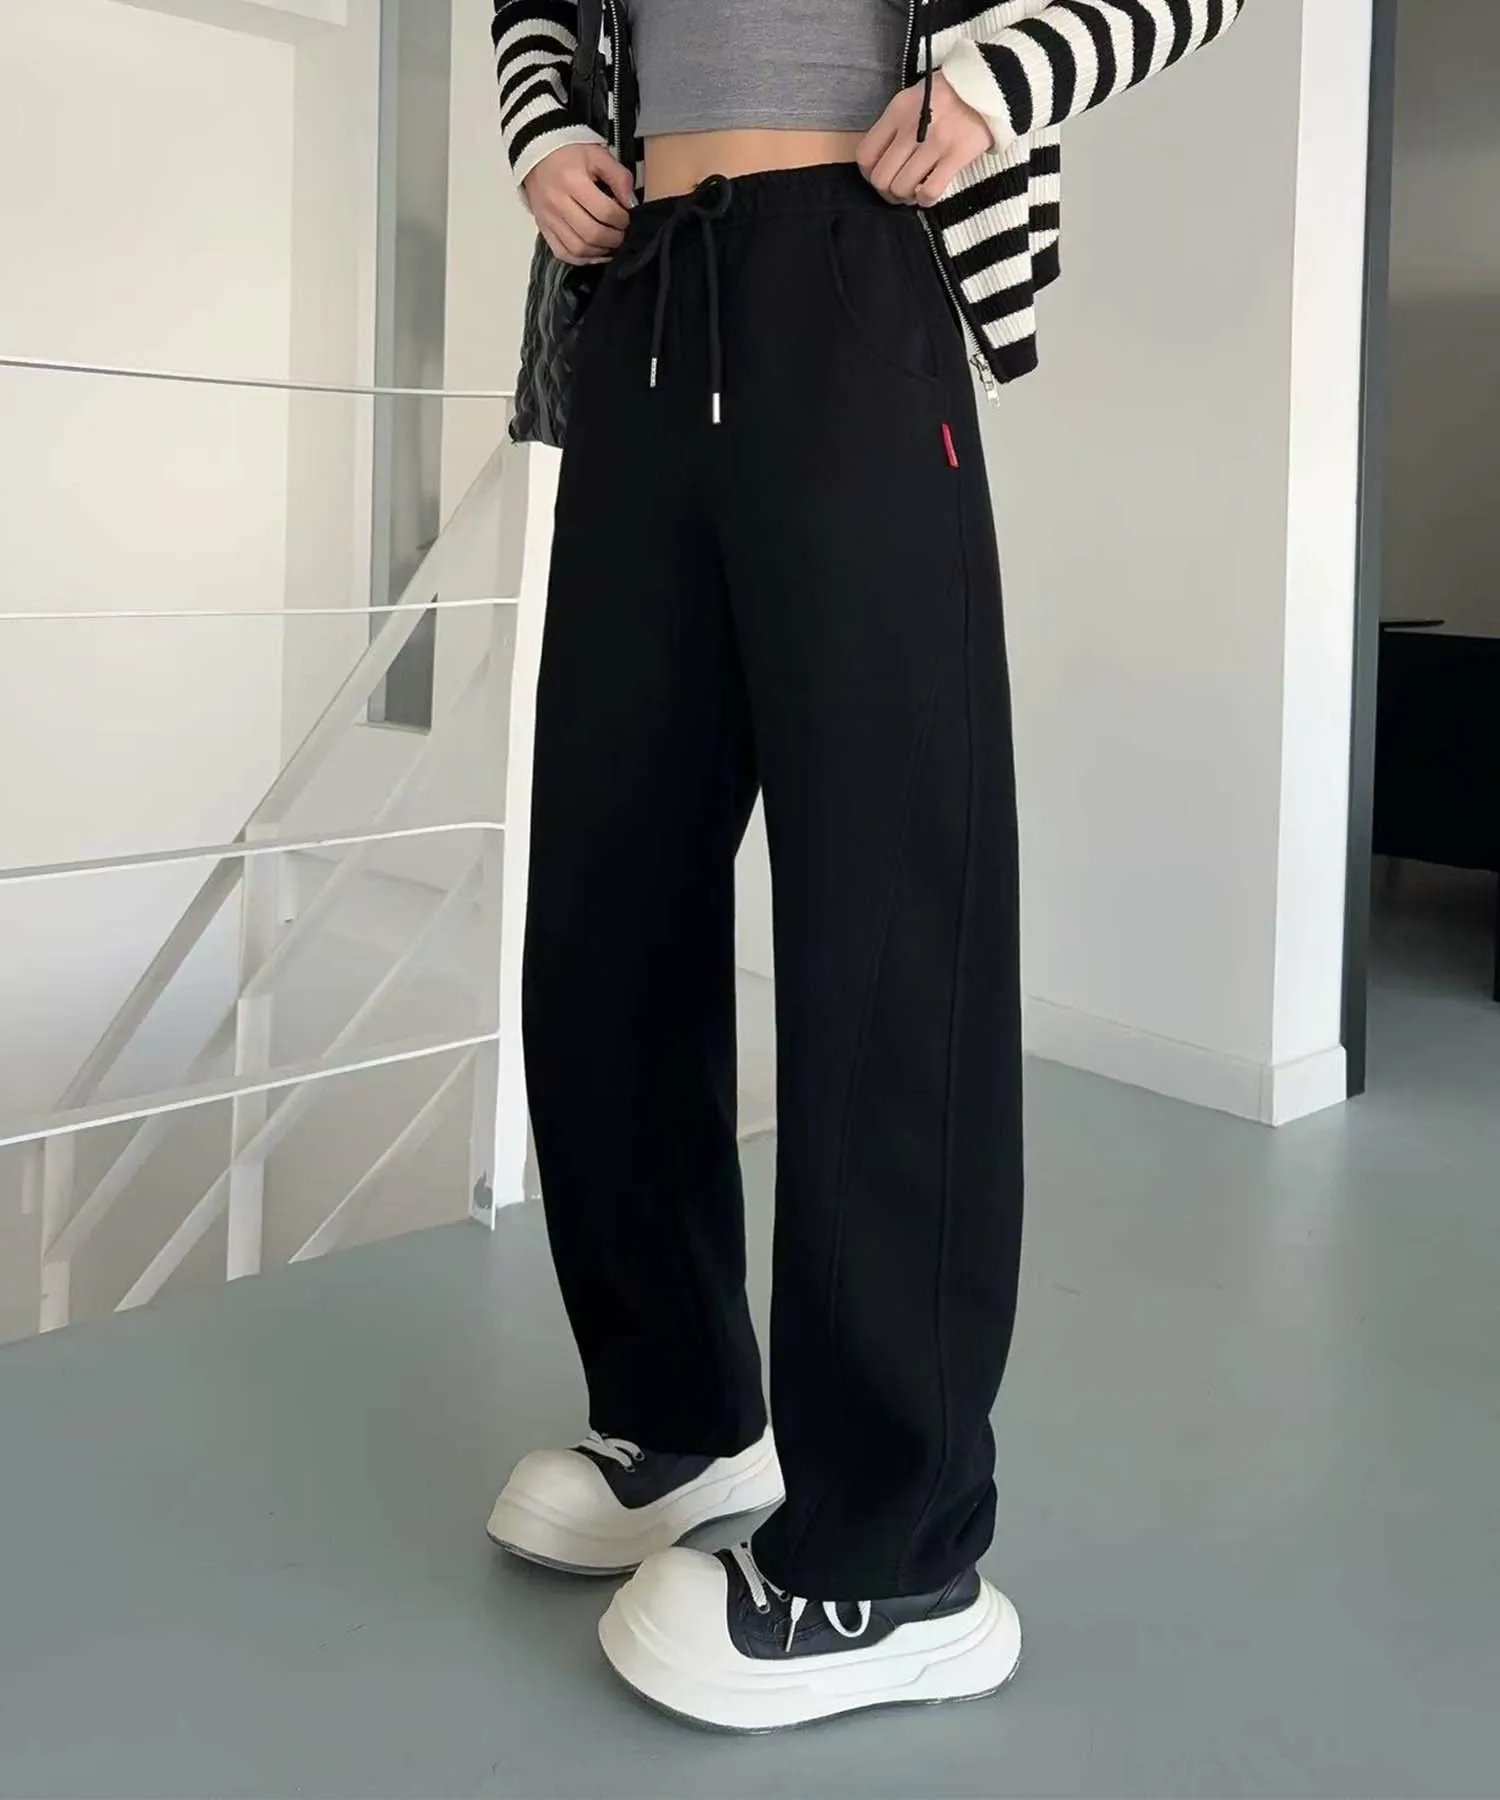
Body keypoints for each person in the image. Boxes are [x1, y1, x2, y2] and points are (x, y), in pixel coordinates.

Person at [486, 0, 1247, 1733]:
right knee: (606, 897)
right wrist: (546, 131)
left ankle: (899, 1560)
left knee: (892, 919)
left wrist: (993, 81)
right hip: (639, 286)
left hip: (858, 263)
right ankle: (681, 1417)